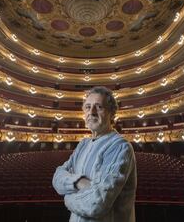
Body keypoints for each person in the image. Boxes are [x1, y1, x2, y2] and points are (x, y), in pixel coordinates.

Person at [52, 86, 137, 222]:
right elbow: (57, 176)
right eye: (88, 107)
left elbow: (96, 204)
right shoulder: (83, 144)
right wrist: (78, 182)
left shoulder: (120, 146)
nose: (91, 112)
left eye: (99, 107)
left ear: (111, 113)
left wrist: (67, 198)